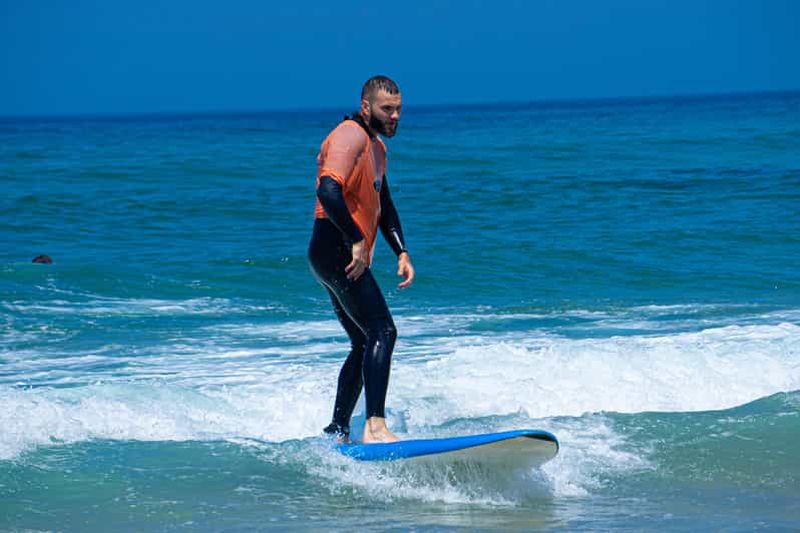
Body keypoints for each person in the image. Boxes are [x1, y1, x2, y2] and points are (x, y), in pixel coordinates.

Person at [308, 75, 415, 444]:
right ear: (366, 106)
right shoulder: (349, 135)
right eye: (387, 109)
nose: (395, 116)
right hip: (335, 248)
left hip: (332, 252)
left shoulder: (376, 148)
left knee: (363, 339)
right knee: (383, 331)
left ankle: (337, 431)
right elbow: (328, 190)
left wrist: (401, 251)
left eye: (398, 109)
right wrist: (356, 240)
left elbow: (384, 205)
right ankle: (375, 427)